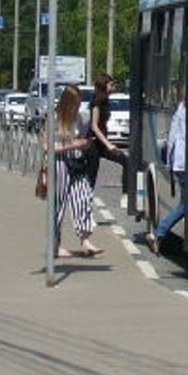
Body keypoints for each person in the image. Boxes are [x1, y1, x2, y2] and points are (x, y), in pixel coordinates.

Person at [48, 84, 103, 258]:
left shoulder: (79, 118)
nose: (78, 107)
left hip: (77, 162)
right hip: (60, 163)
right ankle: (54, 245)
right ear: (67, 103)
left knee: (84, 198)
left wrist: (84, 144)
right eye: (75, 104)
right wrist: (74, 144)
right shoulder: (53, 119)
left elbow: (81, 137)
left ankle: (86, 240)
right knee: (58, 205)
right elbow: (46, 147)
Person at [149, 99, 186, 256]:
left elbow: (173, 136)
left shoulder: (182, 107)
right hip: (184, 162)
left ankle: (158, 234)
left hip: (180, 161)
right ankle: (158, 234)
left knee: (187, 203)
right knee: (187, 204)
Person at [86, 72, 128, 189]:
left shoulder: (105, 100)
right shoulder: (96, 103)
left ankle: (126, 194)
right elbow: (94, 126)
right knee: (91, 178)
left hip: (102, 144)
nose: (114, 86)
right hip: (93, 145)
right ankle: (84, 202)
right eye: (111, 84)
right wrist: (108, 144)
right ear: (104, 85)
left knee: (126, 161)